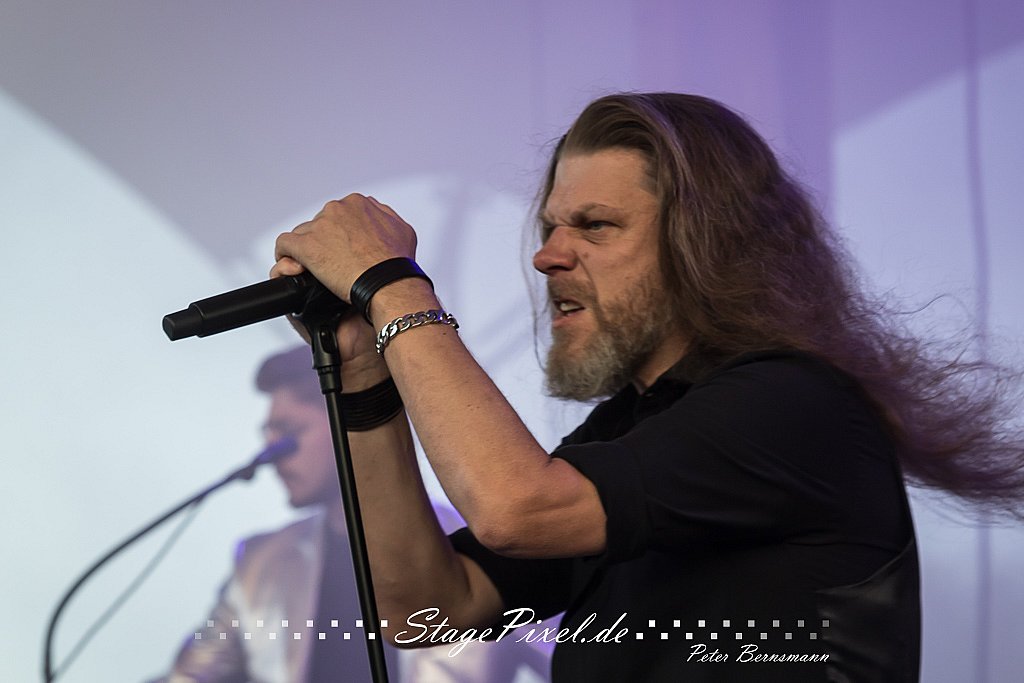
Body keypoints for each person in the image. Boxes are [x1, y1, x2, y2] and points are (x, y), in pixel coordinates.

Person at [269, 93, 1024, 682]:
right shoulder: (632, 425)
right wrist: (364, 374)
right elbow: (424, 608)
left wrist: (394, 288)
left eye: (595, 226)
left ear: (705, 247)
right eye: (551, 226)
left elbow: (514, 507)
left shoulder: (794, 403)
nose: (547, 256)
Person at [158, 346, 550, 683]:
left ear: (347, 422)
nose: (272, 454)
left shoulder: (484, 540)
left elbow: (568, 658)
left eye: (289, 431)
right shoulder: (261, 559)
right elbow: (191, 675)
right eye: (268, 435)